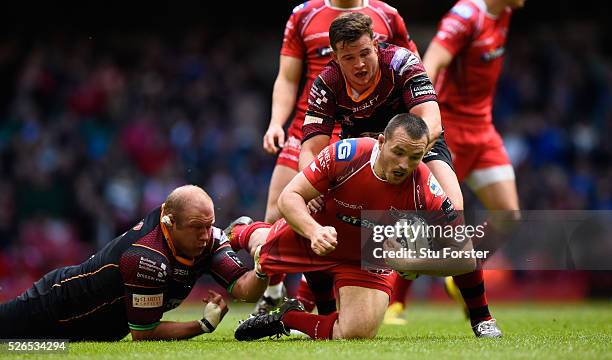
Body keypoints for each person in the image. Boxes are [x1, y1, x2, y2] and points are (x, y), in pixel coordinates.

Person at [298, 12, 503, 337]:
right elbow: (310, 147)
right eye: (349, 57)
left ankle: (482, 318)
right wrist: (313, 189)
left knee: (454, 217)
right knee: (316, 214)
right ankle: (322, 312)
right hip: (362, 159)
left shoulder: (404, 64)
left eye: (365, 53)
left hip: (419, 147)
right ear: (336, 58)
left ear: (376, 45)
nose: (360, 64)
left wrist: (405, 162)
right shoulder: (327, 82)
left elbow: (432, 123)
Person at [229, 113, 476, 341]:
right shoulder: (347, 154)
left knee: (357, 333)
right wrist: (314, 231)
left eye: (414, 157)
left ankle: (286, 317)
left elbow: (466, 258)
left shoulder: (426, 187)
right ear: (381, 142)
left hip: (364, 258)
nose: (404, 164)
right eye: (398, 152)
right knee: (250, 282)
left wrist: (410, 263)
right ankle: (242, 232)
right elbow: (289, 197)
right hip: (318, 234)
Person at [259, 0, 419, 314]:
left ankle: (314, 299)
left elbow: (412, 66)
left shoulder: (388, 15)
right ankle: (274, 292)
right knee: (276, 212)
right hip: (310, 128)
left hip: (359, 129)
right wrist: (276, 122)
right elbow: (288, 77)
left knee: (341, 216)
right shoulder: (303, 15)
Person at [0, 185, 268, 341]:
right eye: (197, 227)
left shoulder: (205, 237)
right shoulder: (146, 257)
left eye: (209, 225)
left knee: (29, 349)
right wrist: (202, 326)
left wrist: (262, 266)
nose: (205, 235)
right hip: (51, 307)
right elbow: (144, 333)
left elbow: (243, 290)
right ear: (169, 222)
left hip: (86, 335)